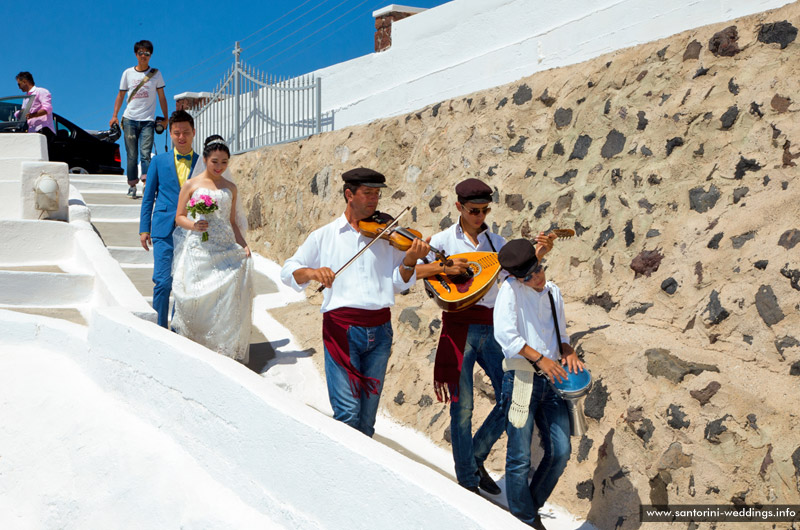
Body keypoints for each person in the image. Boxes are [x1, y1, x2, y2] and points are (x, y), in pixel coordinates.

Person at [415, 178, 554, 495]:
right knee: (461, 407)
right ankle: (466, 478)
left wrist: (539, 255)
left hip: (493, 328)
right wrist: (442, 270)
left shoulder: (497, 244)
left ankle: (476, 456)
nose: (480, 216)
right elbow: (417, 272)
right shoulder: (441, 241)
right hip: (458, 327)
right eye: (474, 210)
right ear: (459, 207)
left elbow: (518, 280)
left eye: (485, 210)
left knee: (511, 398)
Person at [280, 168, 430, 437]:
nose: (374, 200)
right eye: (368, 193)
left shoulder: (387, 237)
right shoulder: (324, 236)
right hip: (342, 331)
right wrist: (313, 273)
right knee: (348, 414)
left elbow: (398, 282)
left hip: (381, 330)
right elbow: (289, 270)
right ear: (349, 195)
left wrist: (409, 261)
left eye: (377, 194)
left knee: (367, 419)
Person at [493, 239, 585, 530]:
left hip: (552, 382)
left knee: (560, 452)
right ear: (518, 277)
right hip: (522, 378)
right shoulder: (510, 291)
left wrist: (567, 349)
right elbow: (506, 334)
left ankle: (528, 509)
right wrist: (540, 359)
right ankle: (527, 519)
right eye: (529, 276)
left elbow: (561, 333)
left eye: (539, 270)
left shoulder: (553, 291)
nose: (537, 277)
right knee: (519, 456)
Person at [172, 135, 252, 361]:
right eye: (215, 161)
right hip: (200, 248)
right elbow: (179, 217)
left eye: (224, 162)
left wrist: (244, 245)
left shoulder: (231, 187)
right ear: (205, 159)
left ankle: (222, 347)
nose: (219, 166)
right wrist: (194, 225)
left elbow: (233, 222)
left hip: (226, 246)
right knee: (198, 298)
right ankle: (197, 346)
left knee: (226, 299)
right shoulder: (192, 184)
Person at [139, 110, 198, 328]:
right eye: (176, 133)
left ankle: (176, 328)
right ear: (171, 135)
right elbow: (148, 197)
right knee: (163, 282)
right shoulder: (158, 162)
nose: (181, 137)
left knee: (182, 283)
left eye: (185, 132)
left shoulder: (202, 164)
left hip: (192, 230)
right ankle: (159, 329)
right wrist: (144, 228)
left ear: (193, 133)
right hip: (163, 227)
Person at [110, 39, 168, 198]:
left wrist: (166, 118)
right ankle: (132, 184)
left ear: (151, 55)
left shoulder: (156, 74)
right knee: (131, 154)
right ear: (136, 54)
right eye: (141, 53)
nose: (144, 56)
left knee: (146, 153)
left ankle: (146, 185)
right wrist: (114, 115)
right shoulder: (127, 73)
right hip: (129, 119)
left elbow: (162, 97)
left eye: (147, 53)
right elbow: (121, 94)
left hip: (148, 120)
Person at [15, 72, 55, 136]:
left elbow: (48, 109)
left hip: (43, 130)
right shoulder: (25, 98)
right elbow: (24, 113)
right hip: (32, 132)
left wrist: (32, 115)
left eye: (19, 84)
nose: (19, 87)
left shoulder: (41, 91)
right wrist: (18, 114)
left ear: (25, 82)